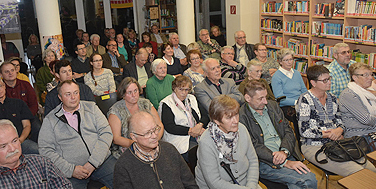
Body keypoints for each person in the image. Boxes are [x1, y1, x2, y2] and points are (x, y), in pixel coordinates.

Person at [297, 65, 376, 176]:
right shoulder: (304, 99)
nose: (329, 82)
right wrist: (328, 134)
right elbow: (304, 131)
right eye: (325, 80)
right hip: (313, 145)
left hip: (337, 143)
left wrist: (339, 130)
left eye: (329, 79)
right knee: (359, 173)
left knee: (371, 169)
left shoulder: (332, 98)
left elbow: (341, 121)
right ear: (313, 83)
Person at [239, 80, 317, 188]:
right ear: (248, 98)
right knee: (309, 179)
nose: (265, 101)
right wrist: (284, 162)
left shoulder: (273, 106)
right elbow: (252, 146)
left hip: (286, 153)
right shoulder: (241, 117)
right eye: (260, 98)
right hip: (265, 162)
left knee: (299, 184)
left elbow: (288, 130)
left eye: (266, 97)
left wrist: (284, 151)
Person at [39, 80, 116, 189]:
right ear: (60, 97)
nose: (73, 97)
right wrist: (71, 170)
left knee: (125, 180)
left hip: (101, 161)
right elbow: (45, 150)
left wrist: (93, 163)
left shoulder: (92, 108)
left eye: (76, 92)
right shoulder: (50, 120)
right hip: (72, 171)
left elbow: (106, 133)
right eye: (68, 94)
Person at [113, 111, 198, 188]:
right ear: (134, 137)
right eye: (147, 133)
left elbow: (190, 184)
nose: (154, 136)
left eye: (155, 129)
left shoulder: (169, 149)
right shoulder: (123, 166)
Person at [195, 95, 261, 189]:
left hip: (246, 183)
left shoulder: (242, 129)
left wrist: (251, 185)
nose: (236, 121)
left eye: (236, 114)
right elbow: (214, 182)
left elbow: (253, 160)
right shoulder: (206, 142)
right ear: (217, 121)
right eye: (229, 118)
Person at [0, 120, 73, 188]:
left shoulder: (42, 163)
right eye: (3, 146)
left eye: (14, 141)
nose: (12, 149)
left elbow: (65, 186)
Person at [108, 77, 163, 159]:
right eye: (129, 92)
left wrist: (155, 140)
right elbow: (116, 138)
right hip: (128, 148)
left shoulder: (146, 103)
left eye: (135, 91)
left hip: (151, 144)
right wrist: (141, 145)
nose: (134, 95)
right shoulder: (116, 111)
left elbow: (159, 125)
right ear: (123, 95)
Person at [159, 76, 208, 161]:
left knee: (212, 147)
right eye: (181, 89)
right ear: (174, 88)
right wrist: (191, 130)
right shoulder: (167, 103)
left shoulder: (192, 98)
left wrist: (199, 126)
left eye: (186, 90)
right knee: (198, 154)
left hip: (198, 132)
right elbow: (170, 127)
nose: (184, 93)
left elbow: (205, 116)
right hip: (179, 137)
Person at [339, 63, 376, 150]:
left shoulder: (368, 93)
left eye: (371, 74)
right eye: (365, 75)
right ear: (355, 77)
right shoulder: (348, 94)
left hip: (371, 132)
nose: (370, 78)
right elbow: (366, 119)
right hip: (359, 136)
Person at [0, 79, 38, 154]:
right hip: (1, 146)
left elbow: (27, 125)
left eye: (0, 86)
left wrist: (20, 140)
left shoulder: (18, 103)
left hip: (21, 141)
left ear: (4, 86)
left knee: (37, 150)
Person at [271, 48, 307, 127]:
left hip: (300, 103)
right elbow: (280, 98)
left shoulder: (297, 73)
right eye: (286, 60)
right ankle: (300, 137)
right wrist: (297, 102)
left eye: (291, 59)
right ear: (280, 62)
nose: (290, 62)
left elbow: (304, 90)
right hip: (286, 105)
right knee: (302, 116)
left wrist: (306, 100)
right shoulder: (276, 77)